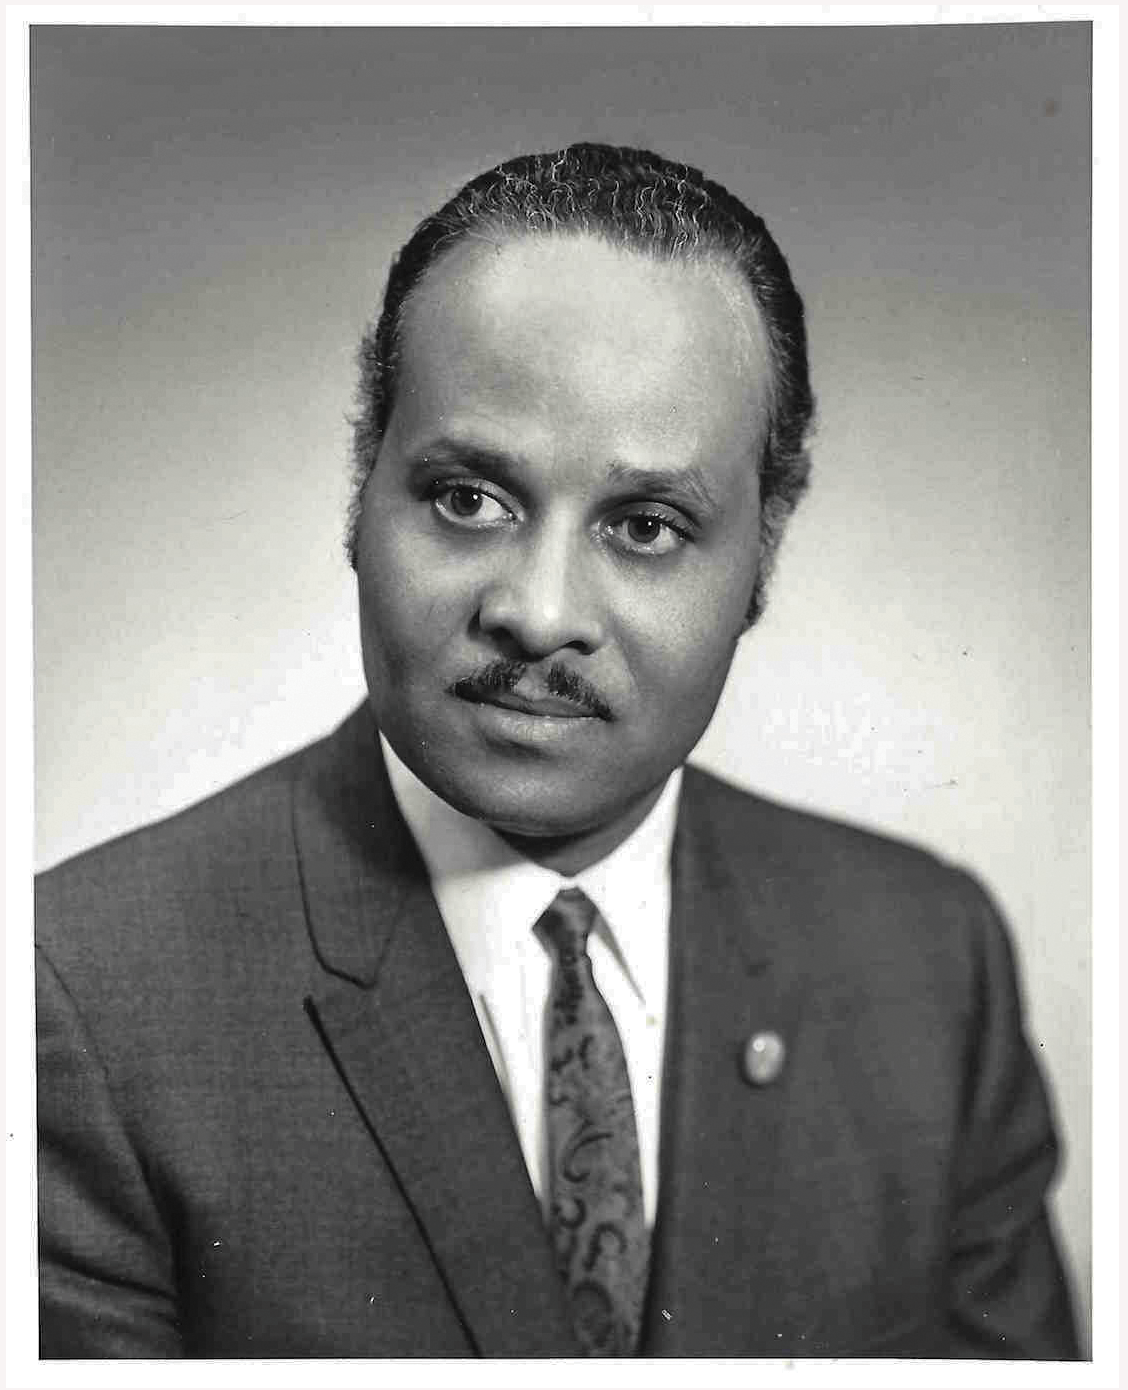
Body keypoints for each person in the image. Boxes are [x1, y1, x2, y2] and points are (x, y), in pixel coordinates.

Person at [35, 142, 1079, 1359]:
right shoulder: (85, 997)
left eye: (647, 525)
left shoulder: (929, 961)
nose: (537, 612)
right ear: (360, 489)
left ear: (765, 554)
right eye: (468, 498)